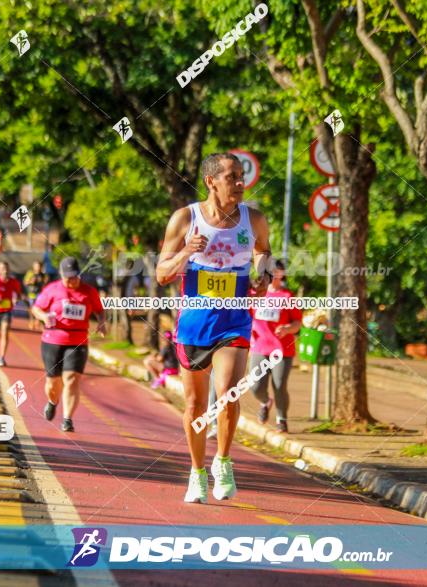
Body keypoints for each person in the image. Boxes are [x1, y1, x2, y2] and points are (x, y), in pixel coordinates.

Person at [157, 153, 271, 504]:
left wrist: (263, 273)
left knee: (228, 393)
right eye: (233, 177)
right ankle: (196, 472)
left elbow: (263, 252)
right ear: (211, 181)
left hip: (234, 318)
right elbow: (162, 274)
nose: (241, 183)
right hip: (194, 323)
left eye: (241, 177)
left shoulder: (254, 219)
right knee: (193, 405)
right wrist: (186, 254)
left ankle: (223, 461)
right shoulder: (185, 219)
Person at [31, 257, 107, 432]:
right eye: (67, 277)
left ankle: (67, 419)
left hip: (78, 341)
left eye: (74, 277)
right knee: (52, 383)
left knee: (72, 380)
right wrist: (43, 317)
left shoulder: (89, 291)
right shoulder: (52, 289)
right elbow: (36, 308)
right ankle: (52, 401)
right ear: (61, 275)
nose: (71, 281)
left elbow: (99, 310)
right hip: (52, 341)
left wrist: (102, 322)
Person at [248, 260, 302, 433]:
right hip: (259, 347)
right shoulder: (255, 294)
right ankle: (265, 402)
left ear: (281, 274)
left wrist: (287, 328)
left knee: (279, 385)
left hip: (282, 349)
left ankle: (281, 419)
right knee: (255, 386)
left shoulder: (287, 297)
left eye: (277, 271)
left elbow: (297, 323)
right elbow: (246, 317)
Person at [24, 261, 50, 330]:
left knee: (40, 309)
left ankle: (38, 321)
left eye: (39, 266)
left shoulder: (44, 275)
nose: (38, 268)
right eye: (36, 266)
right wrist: (31, 281)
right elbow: (25, 282)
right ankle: (32, 321)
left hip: (40, 295)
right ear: (33, 266)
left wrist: (44, 281)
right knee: (31, 309)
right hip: (31, 294)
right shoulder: (30, 273)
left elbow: (46, 284)